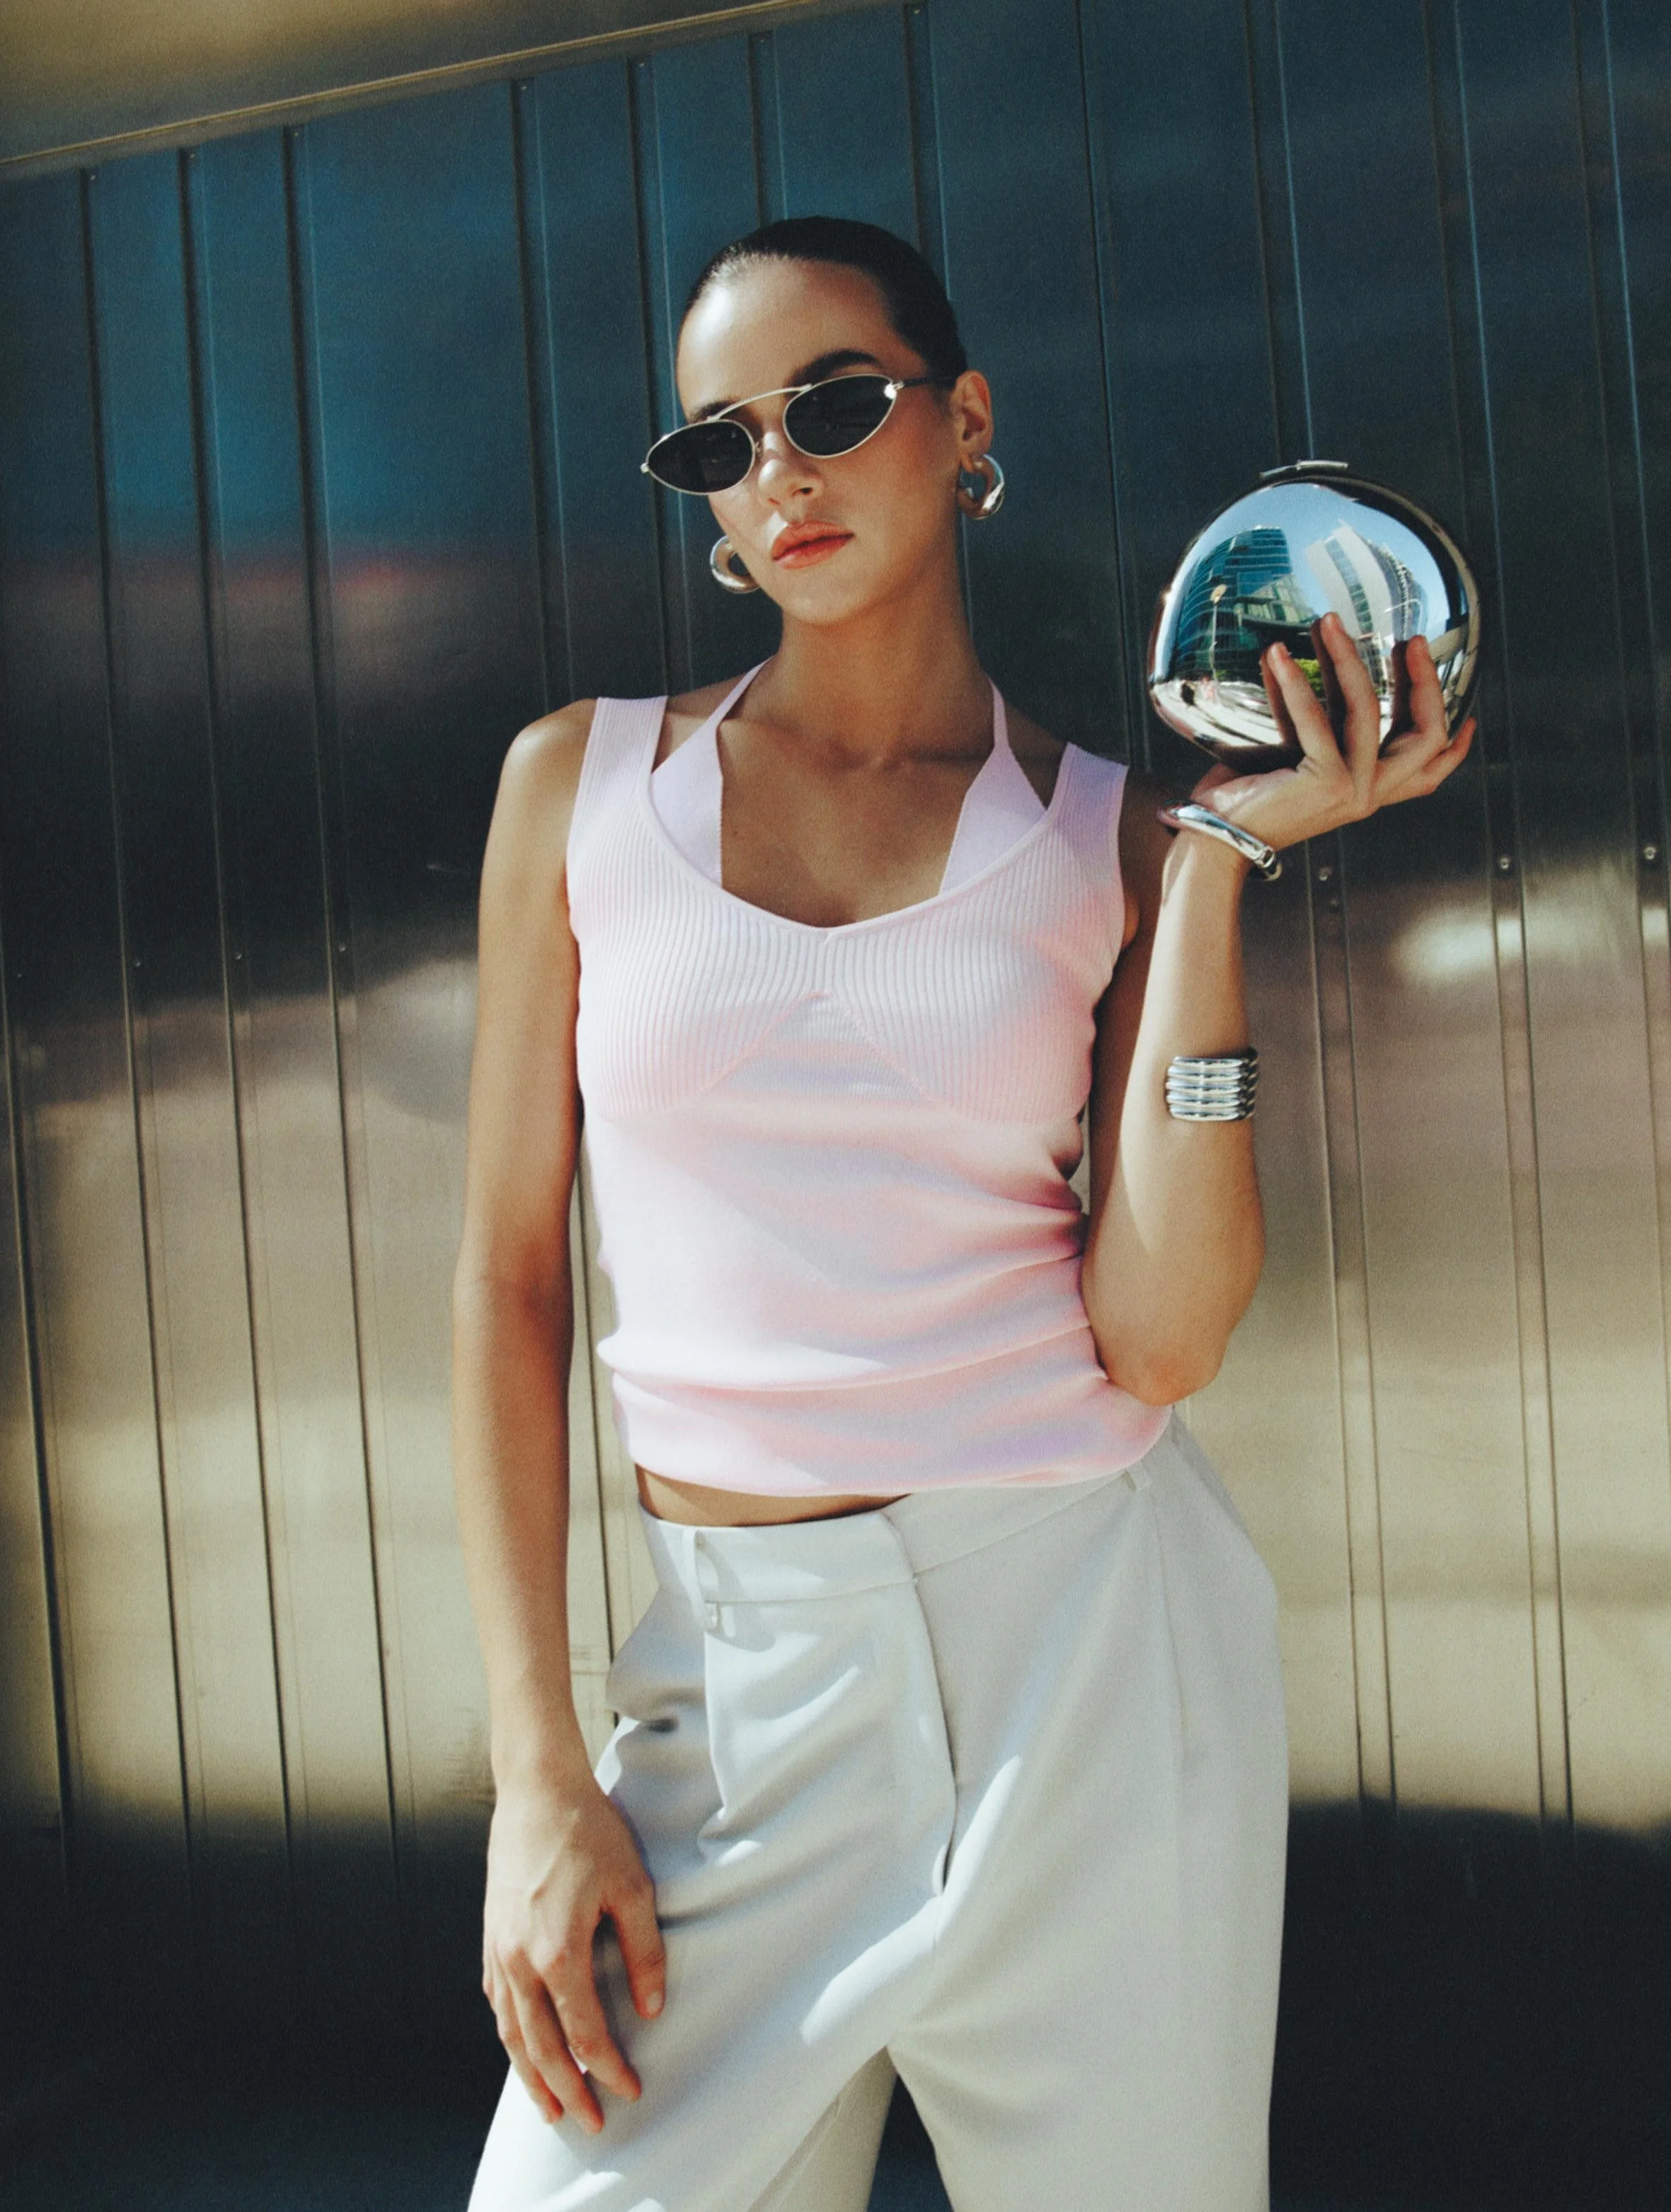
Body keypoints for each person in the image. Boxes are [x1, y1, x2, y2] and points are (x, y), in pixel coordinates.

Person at [453, 215, 1472, 2212]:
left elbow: (1162, 1336)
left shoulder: (1109, 836)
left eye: (834, 405)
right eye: (723, 444)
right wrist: (534, 1771)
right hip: (735, 1699)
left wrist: (1213, 875)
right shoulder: (576, 788)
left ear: (966, 421)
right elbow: (506, 1282)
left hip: (1086, 1657)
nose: (782, 472)